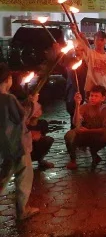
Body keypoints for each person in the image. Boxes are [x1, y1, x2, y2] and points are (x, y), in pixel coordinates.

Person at [0, 63, 39, 220]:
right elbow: (22, 117)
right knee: (24, 174)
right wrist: (32, 102)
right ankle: (22, 210)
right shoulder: (8, 98)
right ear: (7, 79)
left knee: (4, 175)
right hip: (17, 143)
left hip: (4, 146)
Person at [65, 86, 106, 169]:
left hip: (98, 135)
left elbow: (105, 130)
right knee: (69, 135)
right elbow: (75, 123)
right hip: (85, 134)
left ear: (103, 98)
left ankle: (94, 153)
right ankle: (73, 160)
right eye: (91, 96)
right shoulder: (84, 107)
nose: (92, 98)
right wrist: (77, 105)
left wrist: (88, 131)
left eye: (96, 96)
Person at [70, 27, 106, 99]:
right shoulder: (91, 53)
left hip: (104, 89)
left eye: (101, 40)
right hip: (91, 89)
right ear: (94, 41)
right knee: (90, 109)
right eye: (96, 40)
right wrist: (75, 32)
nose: (99, 42)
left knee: (103, 109)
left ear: (105, 41)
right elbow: (83, 45)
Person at [27, 100, 54, 170]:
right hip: (26, 150)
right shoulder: (24, 124)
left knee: (48, 140)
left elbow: (43, 137)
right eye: (35, 110)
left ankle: (40, 160)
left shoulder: (42, 123)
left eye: (39, 109)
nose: (37, 112)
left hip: (35, 149)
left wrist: (39, 137)